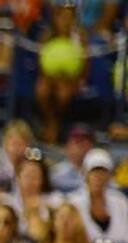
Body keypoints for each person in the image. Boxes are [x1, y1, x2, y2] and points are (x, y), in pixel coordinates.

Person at [35, 3, 87, 143]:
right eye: (62, 18)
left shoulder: (80, 36)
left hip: (72, 79)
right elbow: (40, 63)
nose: (65, 21)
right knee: (42, 90)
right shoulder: (47, 36)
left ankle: (52, 126)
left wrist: (75, 78)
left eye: (69, 18)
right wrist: (51, 76)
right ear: (56, 19)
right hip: (49, 77)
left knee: (63, 93)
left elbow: (86, 64)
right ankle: (52, 123)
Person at [68, 148, 128, 243]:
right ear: (86, 174)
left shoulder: (120, 201)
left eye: (103, 172)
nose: (98, 176)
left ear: (109, 175)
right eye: (94, 171)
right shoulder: (73, 202)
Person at [2, 150, 62, 240]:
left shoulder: (55, 201)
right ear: (18, 178)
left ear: (43, 179)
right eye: (27, 176)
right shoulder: (7, 203)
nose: (30, 181)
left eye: (35, 176)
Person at [50, 123, 94, 193]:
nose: (82, 146)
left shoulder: (99, 170)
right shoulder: (57, 171)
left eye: (86, 141)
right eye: (77, 142)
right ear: (67, 148)